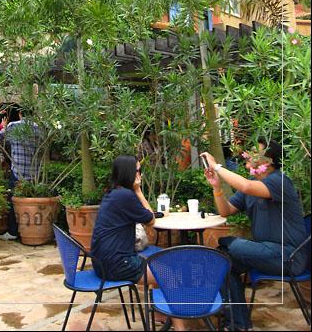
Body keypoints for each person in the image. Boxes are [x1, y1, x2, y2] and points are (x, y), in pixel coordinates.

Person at [201, 139, 308, 331]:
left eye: (255, 152)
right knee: (222, 261)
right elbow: (226, 211)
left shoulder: (279, 181)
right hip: (265, 253)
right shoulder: (251, 185)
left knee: (231, 247)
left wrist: (216, 166)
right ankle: (239, 324)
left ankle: (229, 243)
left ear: (270, 161)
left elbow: (246, 187)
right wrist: (217, 187)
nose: (249, 155)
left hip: (289, 256)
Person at [90, 155, 186, 332]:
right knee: (169, 275)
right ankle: (181, 329)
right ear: (129, 173)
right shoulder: (126, 195)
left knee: (158, 264)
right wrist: (138, 190)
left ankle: (159, 314)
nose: (140, 174)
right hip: (117, 264)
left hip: (102, 263)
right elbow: (150, 220)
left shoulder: (113, 193)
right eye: (138, 171)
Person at [0, 105, 41, 241]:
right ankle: (32, 230)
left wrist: (3, 126)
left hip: (18, 171)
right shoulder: (38, 128)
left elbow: (0, 137)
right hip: (34, 172)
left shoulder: (14, 126)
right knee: (30, 203)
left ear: (20, 113)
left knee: (13, 201)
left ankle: (13, 231)